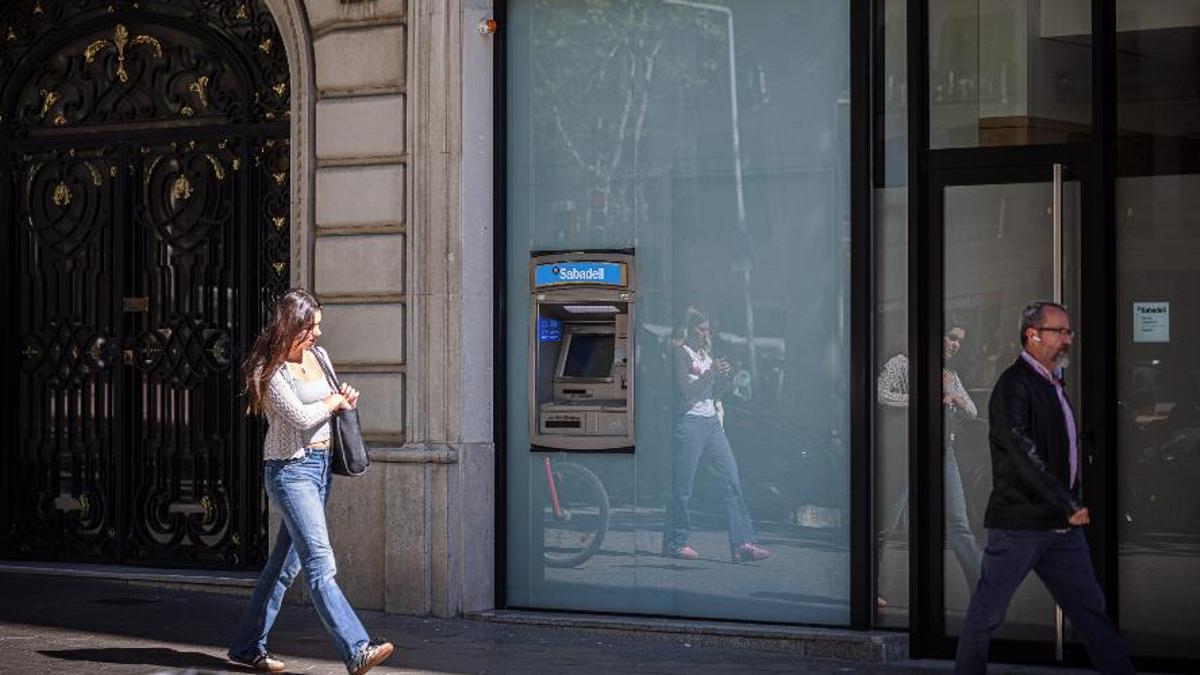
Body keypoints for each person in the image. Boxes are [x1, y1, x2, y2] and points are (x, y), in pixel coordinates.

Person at [955, 301, 1133, 674]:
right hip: (1020, 522)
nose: (1068, 339)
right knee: (986, 613)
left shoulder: (1052, 384)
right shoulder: (1014, 385)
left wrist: (1066, 503)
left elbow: (1063, 451)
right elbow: (1021, 450)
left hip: (1060, 526)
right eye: (1060, 331)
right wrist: (1066, 499)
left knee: (1090, 613)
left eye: (1070, 332)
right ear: (1032, 335)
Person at [228, 289, 394, 674]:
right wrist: (332, 403)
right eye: (311, 326)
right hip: (289, 472)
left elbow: (331, 403)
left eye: (318, 325)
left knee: (284, 568)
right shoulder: (267, 370)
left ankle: (246, 645)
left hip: (320, 468)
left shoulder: (320, 356)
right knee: (320, 563)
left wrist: (344, 399)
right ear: (291, 324)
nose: (318, 333)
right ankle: (357, 648)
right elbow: (300, 418)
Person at [876, 324, 983, 606]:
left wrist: (955, 397)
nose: (956, 345)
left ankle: (983, 590)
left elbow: (972, 411)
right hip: (904, 452)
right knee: (886, 524)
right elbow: (883, 395)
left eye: (960, 341)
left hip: (941, 452)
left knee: (959, 522)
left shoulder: (950, 375)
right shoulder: (901, 364)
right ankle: (870, 587)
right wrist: (926, 399)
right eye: (952, 338)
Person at [661, 307, 770, 562]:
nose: (706, 334)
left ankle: (742, 542)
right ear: (688, 330)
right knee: (683, 487)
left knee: (732, 479)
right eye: (702, 329)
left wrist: (724, 376)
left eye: (708, 329)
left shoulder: (706, 355)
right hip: (688, 423)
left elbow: (715, 393)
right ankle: (675, 542)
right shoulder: (681, 354)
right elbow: (686, 393)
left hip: (711, 422)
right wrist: (710, 373)